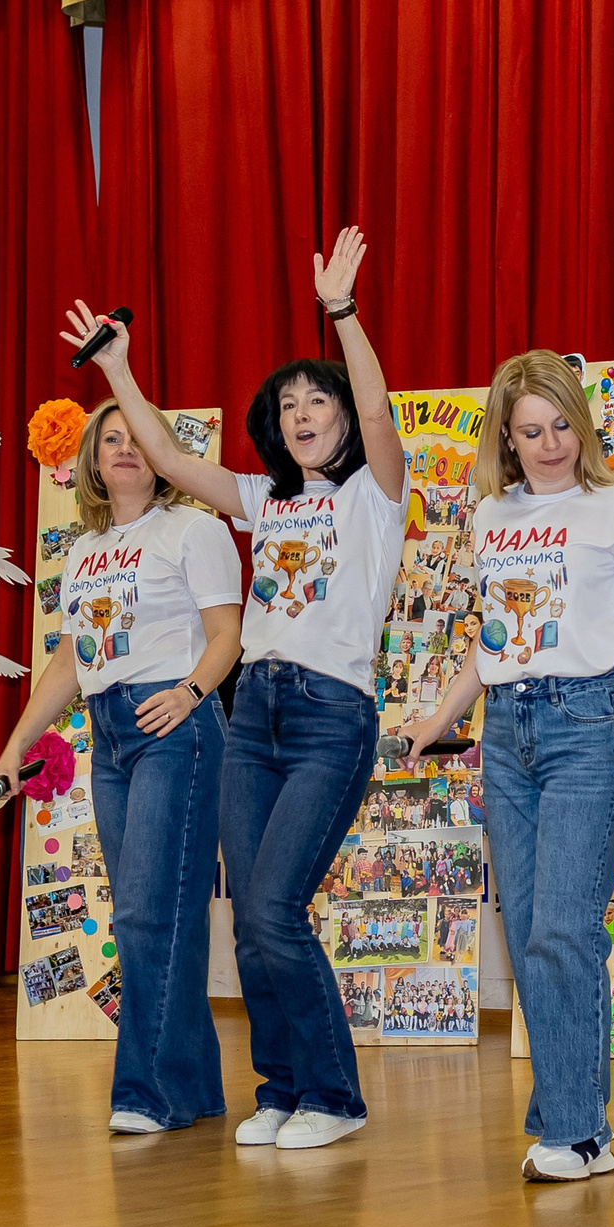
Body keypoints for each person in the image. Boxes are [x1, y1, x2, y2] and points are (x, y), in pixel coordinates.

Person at [65, 225, 405, 1151]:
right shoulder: (266, 500)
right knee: (249, 920)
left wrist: (343, 315)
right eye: (288, 403)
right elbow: (173, 464)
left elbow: (380, 417)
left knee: (273, 906)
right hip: (250, 710)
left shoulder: (373, 499)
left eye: (317, 401)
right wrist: (118, 373)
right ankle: (282, 1088)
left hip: (332, 712)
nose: (303, 413)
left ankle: (334, 1094)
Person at [404, 351, 614, 1182]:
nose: (548, 443)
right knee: (533, 933)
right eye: (529, 431)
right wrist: (438, 718)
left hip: (587, 722)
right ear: (507, 441)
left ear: (578, 426)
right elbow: (493, 642)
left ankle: (576, 1128)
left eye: (559, 425)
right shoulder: (489, 517)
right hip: (507, 728)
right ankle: (570, 1119)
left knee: (562, 927)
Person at [0, 398, 244, 1135]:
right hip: (110, 733)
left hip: (175, 728)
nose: (124, 449)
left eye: (136, 438)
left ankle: (145, 1091)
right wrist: (13, 751)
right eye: (110, 440)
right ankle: (191, 1088)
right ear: (92, 462)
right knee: (165, 915)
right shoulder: (84, 551)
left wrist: (191, 693)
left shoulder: (195, 529)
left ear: (162, 451)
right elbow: (71, 658)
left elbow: (228, 633)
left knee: (143, 910)